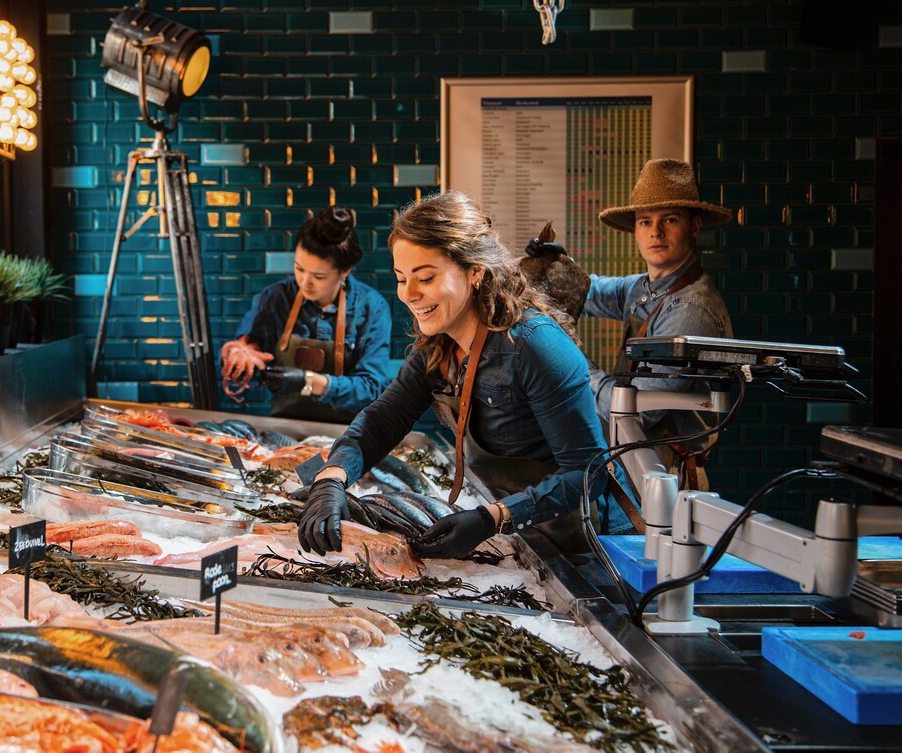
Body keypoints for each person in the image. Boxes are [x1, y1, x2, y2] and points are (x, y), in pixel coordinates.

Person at [297, 191, 636, 560]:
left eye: (425, 277)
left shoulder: (537, 346)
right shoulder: (438, 346)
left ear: (475, 272)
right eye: (400, 278)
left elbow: (588, 473)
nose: (408, 294)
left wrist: (494, 518)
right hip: (528, 537)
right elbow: (383, 419)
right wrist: (332, 477)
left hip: (595, 547)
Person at [582, 158, 734, 491]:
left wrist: (577, 368)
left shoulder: (692, 311)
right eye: (645, 221)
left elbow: (639, 410)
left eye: (670, 220)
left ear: (693, 227)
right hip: (634, 460)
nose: (656, 232)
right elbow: (586, 292)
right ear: (635, 230)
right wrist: (551, 266)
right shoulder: (643, 288)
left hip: (669, 478)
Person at [220, 207, 392, 424]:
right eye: (299, 269)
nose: (305, 283)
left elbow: (373, 388)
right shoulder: (274, 298)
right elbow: (248, 346)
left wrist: (308, 381)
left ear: (345, 270)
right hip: (284, 430)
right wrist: (241, 355)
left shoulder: (371, 307)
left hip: (351, 433)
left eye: (319, 276)